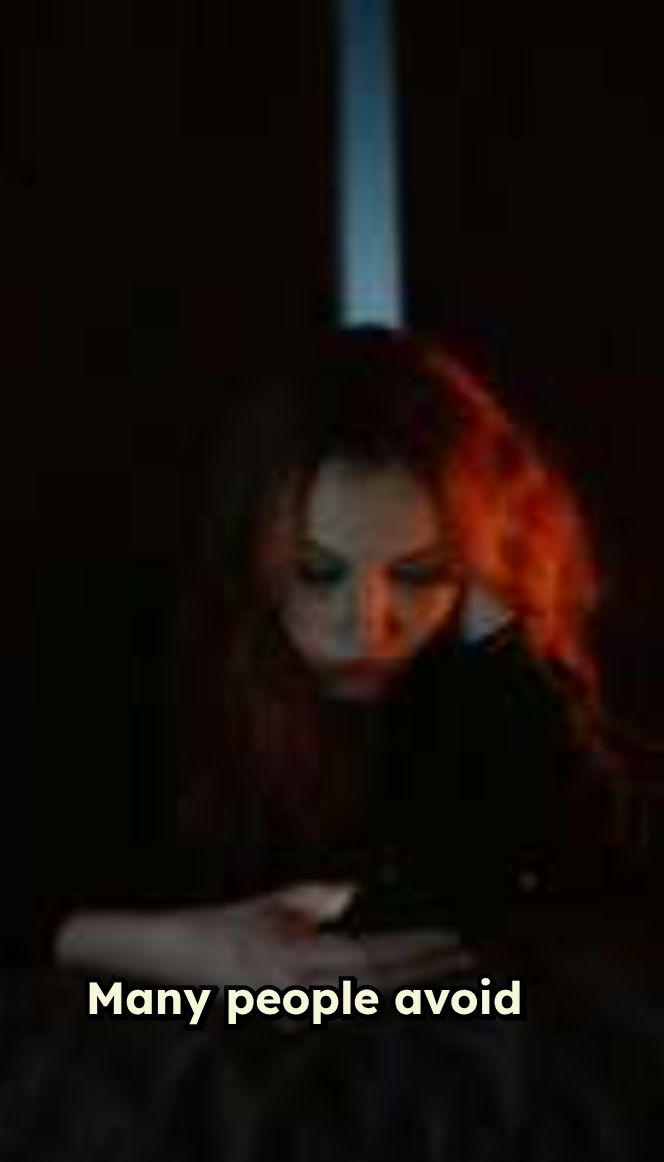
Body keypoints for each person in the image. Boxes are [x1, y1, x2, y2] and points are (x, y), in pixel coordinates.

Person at [50, 324, 653, 992]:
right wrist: (176, 950)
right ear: (251, 557)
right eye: (316, 572)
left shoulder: (487, 664)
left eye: (421, 573)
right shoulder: (145, 656)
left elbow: (600, 875)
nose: (368, 625)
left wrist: (505, 636)